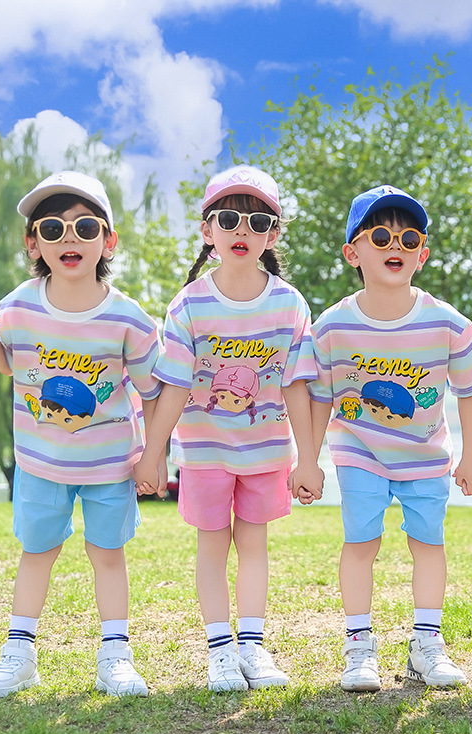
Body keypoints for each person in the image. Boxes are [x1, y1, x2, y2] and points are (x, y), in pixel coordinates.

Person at [0, 171, 162, 697]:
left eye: (85, 227)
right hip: (40, 462)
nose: (69, 238)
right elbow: (13, 365)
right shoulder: (20, 304)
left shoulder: (129, 318)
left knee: (108, 554)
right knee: (37, 552)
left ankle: (115, 657)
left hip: (110, 465)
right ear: (32, 242)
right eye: (53, 228)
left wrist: (156, 454)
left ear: (107, 241)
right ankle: (19, 655)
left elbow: (154, 390)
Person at [302, 185, 472, 691]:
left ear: (422, 255)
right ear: (353, 252)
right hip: (358, 451)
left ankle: (426, 646)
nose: (397, 244)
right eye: (382, 235)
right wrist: (308, 460)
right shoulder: (332, 327)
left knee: (428, 544)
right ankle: (358, 647)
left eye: (409, 238)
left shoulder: (444, 321)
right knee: (360, 542)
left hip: (425, 455)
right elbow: (318, 397)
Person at [134, 165, 322, 692]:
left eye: (257, 220)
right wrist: (154, 455)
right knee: (213, 547)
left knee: (255, 547)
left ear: (273, 234)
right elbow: (172, 384)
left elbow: (296, 385)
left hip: (266, 453)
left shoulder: (289, 303)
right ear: (207, 230)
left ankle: (254, 647)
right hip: (204, 453)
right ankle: (220, 651)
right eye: (230, 218)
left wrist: (308, 458)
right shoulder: (189, 303)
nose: (243, 230)